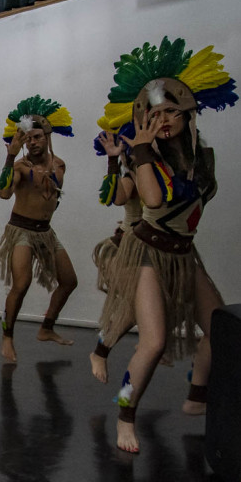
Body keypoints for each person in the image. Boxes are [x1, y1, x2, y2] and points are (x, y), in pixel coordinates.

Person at [95, 37, 236, 453]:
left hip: (184, 255)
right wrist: (134, 152)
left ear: (188, 112)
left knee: (219, 329)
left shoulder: (202, 158)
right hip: (147, 254)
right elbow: (152, 200)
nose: (163, 119)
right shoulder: (145, 159)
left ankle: (196, 396)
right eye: (153, 114)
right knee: (153, 342)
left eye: (171, 110)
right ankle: (124, 414)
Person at [0, 95, 78, 362]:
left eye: (38, 137)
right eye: (28, 139)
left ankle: (46, 328)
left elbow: (53, 196)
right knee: (22, 283)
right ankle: (7, 336)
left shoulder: (59, 165)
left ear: (47, 137)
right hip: (21, 230)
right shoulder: (20, 167)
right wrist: (10, 156)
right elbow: (3, 193)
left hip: (46, 232)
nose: (33, 142)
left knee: (69, 281)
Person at [89, 132, 142, 383]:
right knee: (132, 308)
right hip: (129, 249)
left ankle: (152, 341)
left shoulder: (165, 173)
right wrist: (113, 160)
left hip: (158, 250)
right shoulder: (133, 175)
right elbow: (118, 197)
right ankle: (100, 352)